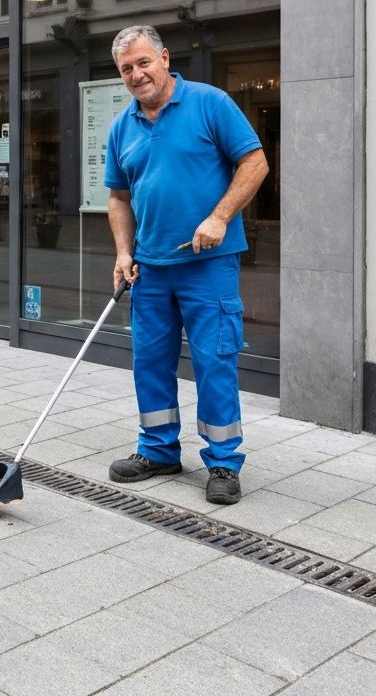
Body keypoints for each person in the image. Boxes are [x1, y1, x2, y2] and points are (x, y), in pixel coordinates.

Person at [104, 25, 268, 505]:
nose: (137, 74)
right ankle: (157, 450)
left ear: (164, 58)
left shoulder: (209, 103)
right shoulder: (122, 127)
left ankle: (223, 462)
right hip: (150, 268)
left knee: (214, 361)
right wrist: (123, 251)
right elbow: (117, 197)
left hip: (207, 263)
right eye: (126, 69)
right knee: (149, 361)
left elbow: (255, 163)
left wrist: (219, 217)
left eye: (143, 63)